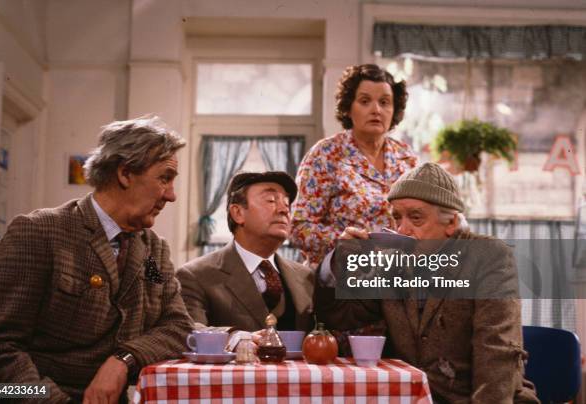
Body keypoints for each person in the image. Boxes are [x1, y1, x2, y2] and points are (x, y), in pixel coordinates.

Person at [0, 116, 195, 403]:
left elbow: (177, 325)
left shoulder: (153, 252)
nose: (172, 195)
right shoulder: (39, 233)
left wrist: (123, 360)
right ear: (125, 173)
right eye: (164, 178)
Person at [315, 162, 539, 403]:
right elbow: (339, 317)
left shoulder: (489, 256)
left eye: (416, 218)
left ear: (451, 223)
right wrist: (339, 261)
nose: (402, 229)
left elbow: (496, 354)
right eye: (397, 218)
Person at [290, 64, 417, 268]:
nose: (376, 110)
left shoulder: (407, 157)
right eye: (365, 101)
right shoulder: (325, 155)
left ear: (394, 110)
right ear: (349, 108)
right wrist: (342, 242)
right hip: (338, 278)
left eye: (384, 102)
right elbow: (298, 228)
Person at [177, 172, 314, 334]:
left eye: (287, 203)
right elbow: (188, 332)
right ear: (238, 213)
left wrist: (349, 254)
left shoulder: (306, 276)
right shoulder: (196, 276)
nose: (284, 210)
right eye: (271, 200)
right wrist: (236, 339)